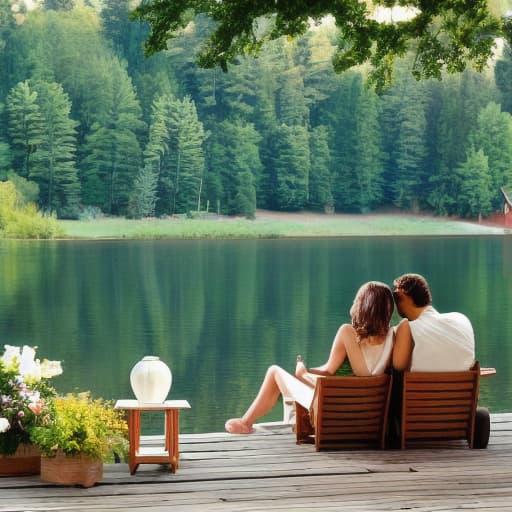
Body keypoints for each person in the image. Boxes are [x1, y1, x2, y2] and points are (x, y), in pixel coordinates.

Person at [225, 281, 395, 434]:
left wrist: (303, 373)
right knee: (291, 379)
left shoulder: (348, 332)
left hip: (334, 412)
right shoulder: (392, 337)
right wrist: (307, 372)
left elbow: (329, 371)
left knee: (274, 372)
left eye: (356, 301)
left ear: (362, 306)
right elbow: (363, 375)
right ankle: (284, 420)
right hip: (369, 415)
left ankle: (246, 423)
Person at [392, 273, 475, 372]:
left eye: (396, 297)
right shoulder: (462, 319)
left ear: (404, 296)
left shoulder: (407, 327)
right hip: (463, 386)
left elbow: (398, 366)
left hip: (423, 387)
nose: (395, 302)